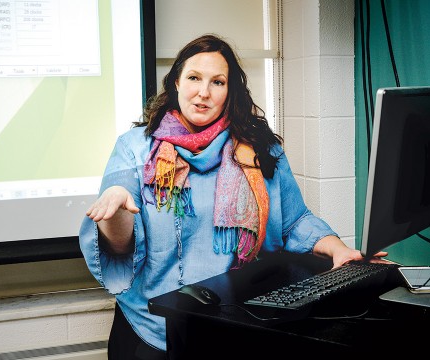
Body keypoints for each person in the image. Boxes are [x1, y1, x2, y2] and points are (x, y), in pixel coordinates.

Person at [79, 34, 387, 359]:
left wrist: (339, 250)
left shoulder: (260, 149)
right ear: (176, 84)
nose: (203, 92)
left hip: (232, 324)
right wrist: (117, 212)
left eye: (218, 82)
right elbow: (120, 248)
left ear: (230, 91)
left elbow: (295, 220)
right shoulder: (135, 148)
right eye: (194, 78)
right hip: (153, 327)